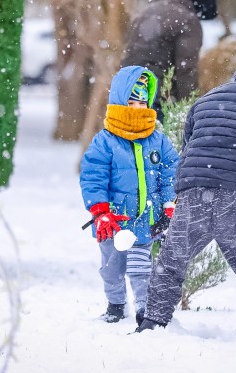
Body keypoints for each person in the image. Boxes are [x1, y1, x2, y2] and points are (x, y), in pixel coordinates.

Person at [135, 48, 236, 341]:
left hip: (193, 190)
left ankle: (153, 320)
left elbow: (189, 144)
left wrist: (196, 179)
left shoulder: (208, 98)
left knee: (172, 259)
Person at [80, 66, 179, 325]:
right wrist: (100, 211)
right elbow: (93, 177)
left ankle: (144, 309)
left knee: (141, 267)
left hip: (145, 218)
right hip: (113, 220)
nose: (137, 107)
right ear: (120, 101)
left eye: (143, 102)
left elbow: (171, 172)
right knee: (112, 268)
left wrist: (169, 204)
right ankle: (115, 304)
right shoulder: (105, 141)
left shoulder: (157, 139)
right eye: (132, 101)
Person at [121, 0, 218, 118]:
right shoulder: (188, 20)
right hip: (154, 95)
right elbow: (186, 69)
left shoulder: (151, 10)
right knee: (155, 138)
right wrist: (190, 109)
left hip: (125, 90)